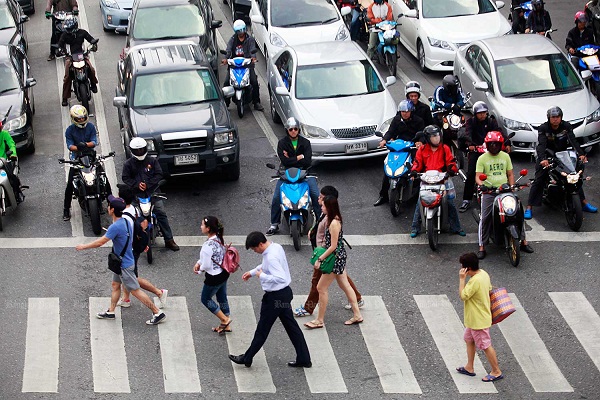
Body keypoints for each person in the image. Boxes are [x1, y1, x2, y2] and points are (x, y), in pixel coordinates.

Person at [76, 195, 166, 325]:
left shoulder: (116, 226)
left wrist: (83, 246)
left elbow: (100, 242)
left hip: (124, 265)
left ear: (112, 210)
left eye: (109, 206)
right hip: (122, 262)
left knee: (135, 291)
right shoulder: (125, 221)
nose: (108, 207)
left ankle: (157, 312)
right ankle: (111, 311)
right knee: (115, 285)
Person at [229, 232, 311, 368]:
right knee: (292, 327)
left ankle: (247, 358)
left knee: (263, 329)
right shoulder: (275, 247)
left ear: (261, 244)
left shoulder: (270, 256)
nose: (255, 251)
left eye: (255, 249)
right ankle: (304, 358)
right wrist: (252, 272)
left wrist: (262, 276)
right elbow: (265, 266)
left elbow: (280, 277)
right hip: (284, 294)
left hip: (275, 297)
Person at [294, 186, 364, 317]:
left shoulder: (331, 220)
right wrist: (312, 230)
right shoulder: (325, 212)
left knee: (318, 283)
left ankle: (309, 309)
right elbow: (318, 223)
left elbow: (332, 244)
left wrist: (321, 258)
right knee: (342, 279)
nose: (318, 199)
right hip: (326, 253)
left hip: (327, 255)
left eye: (321, 197)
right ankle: (357, 299)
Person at [525, 106, 597, 219]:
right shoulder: (543, 128)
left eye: (557, 117)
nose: (555, 119)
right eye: (553, 117)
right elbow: (541, 145)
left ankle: (584, 203)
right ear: (549, 118)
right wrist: (543, 159)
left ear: (561, 117)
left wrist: (581, 154)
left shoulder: (566, 126)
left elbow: (573, 140)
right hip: (546, 155)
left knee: (574, 175)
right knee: (539, 178)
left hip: (563, 154)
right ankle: (529, 207)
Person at [475, 131, 533, 259]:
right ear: (487, 145)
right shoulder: (482, 158)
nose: (494, 146)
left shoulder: (505, 156)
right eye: (491, 144)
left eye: (496, 144)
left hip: (505, 190)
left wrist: (512, 188)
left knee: (518, 214)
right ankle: (482, 246)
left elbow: (510, 174)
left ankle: (523, 241)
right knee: (485, 218)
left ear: (500, 144)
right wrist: (482, 185)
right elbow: (478, 177)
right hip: (489, 192)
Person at [122, 137, 180, 251]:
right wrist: (137, 185)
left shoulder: (152, 161)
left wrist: (148, 184)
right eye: (137, 150)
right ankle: (131, 241)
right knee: (130, 217)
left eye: (141, 149)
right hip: (136, 195)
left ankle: (169, 239)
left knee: (161, 213)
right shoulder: (128, 164)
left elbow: (159, 174)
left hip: (153, 193)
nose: (139, 152)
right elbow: (125, 178)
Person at [116, 185, 168, 309]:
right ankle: (126, 298)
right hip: (134, 247)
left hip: (129, 250)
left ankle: (159, 293)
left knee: (131, 278)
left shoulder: (124, 215)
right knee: (123, 276)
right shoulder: (134, 209)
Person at [266, 117, 320, 235]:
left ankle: (321, 223)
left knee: (316, 195)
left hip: (304, 172)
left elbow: (307, 162)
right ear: (287, 130)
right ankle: (274, 224)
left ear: (299, 130)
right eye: (291, 129)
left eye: (296, 129)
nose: (293, 131)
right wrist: (299, 157)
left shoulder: (306, 143)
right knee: (276, 198)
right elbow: (284, 162)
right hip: (286, 174)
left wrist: (290, 158)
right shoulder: (282, 143)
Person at [409, 125, 465, 237]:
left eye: (438, 136)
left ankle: (456, 227)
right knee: (420, 202)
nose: (437, 138)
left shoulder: (445, 148)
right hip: (426, 179)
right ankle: (415, 227)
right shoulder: (422, 150)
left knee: (450, 203)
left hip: (442, 179)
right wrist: (414, 171)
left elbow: (451, 162)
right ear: (428, 138)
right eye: (434, 136)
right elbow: (417, 163)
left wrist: (451, 170)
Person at [456, 252, 503, 382]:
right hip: (474, 319)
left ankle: (496, 371)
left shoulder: (474, 281)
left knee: (485, 345)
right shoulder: (483, 274)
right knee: (469, 339)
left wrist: (461, 280)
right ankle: (469, 367)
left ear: (468, 269)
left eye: (462, 266)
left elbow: (463, 296)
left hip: (478, 321)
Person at [459, 102, 511, 213]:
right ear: (475, 114)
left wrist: (507, 143)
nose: (482, 115)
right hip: (477, 150)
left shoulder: (491, 122)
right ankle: (466, 199)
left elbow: (499, 132)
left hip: (491, 149)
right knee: (471, 173)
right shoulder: (471, 122)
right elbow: (467, 133)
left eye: (484, 113)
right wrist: (470, 144)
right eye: (480, 113)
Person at [374, 100, 425, 206]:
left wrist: (420, 142)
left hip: (412, 147)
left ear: (411, 111)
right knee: (388, 169)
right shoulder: (397, 120)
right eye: (402, 111)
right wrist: (384, 140)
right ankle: (383, 195)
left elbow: (422, 134)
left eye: (407, 111)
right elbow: (390, 131)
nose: (405, 113)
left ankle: (419, 193)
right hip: (398, 146)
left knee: (418, 167)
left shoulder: (419, 121)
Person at [62, 105, 104, 221]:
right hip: (77, 158)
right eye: (78, 119)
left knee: (102, 177)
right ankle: (66, 208)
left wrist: (85, 145)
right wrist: (77, 148)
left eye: (83, 118)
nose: (81, 120)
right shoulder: (69, 130)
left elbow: (94, 142)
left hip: (90, 156)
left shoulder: (90, 127)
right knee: (70, 184)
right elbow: (70, 146)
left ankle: (110, 201)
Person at [193, 216, 232, 335]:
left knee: (205, 299)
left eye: (202, 225)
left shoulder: (207, 246)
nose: (200, 227)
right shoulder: (219, 239)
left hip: (213, 277)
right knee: (222, 297)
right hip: (223, 273)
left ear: (208, 228)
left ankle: (225, 320)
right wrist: (199, 262)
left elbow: (206, 265)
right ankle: (227, 321)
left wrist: (199, 270)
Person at [56, 16, 98, 107]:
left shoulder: (82, 32)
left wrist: (93, 43)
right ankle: (65, 97)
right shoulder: (64, 35)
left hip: (82, 56)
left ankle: (93, 84)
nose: (69, 30)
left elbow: (91, 39)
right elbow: (60, 45)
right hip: (70, 58)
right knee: (67, 77)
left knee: (91, 69)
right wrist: (59, 51)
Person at [222, 20, 263, 111]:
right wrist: (225, 59)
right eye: (238, 31)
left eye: (242, 30)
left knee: (254, 82)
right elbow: (228, 50)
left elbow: (253, 50)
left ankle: (256, 102)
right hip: (234, 65)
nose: (241, 33)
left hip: (247, 65)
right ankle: (226, 104)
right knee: (226, 83)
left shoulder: (250, 39)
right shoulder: (232, 39)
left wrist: (253, 58)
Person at [0, 121, 25, 203]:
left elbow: (11, 144)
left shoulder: (5, 134)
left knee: (12, 177)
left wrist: (13, 154)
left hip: (4, 161)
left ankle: (17, 193)